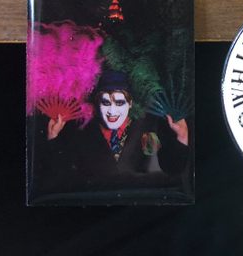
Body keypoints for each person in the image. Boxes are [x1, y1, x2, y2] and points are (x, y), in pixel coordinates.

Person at [42, 70, 189, 193]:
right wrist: (53, 137)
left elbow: (167, 170)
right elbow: (63, 174)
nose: (112, 112)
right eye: (105, 103)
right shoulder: (83, 131)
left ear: (130, 104)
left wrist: (182, 137)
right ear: (97, 104)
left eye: (119, 103)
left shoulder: (145, 128)